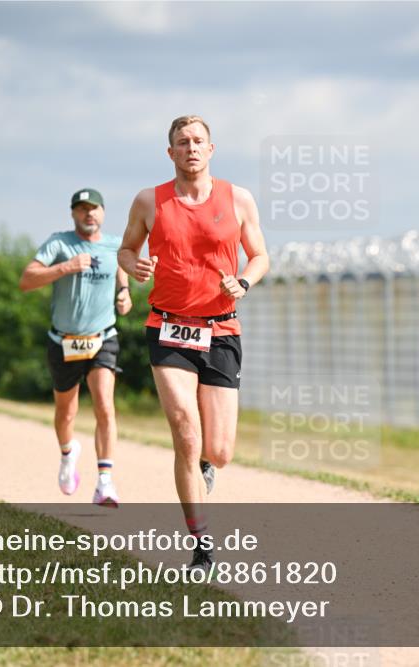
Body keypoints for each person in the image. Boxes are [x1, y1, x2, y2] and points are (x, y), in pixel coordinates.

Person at [118, 115, 270, 568]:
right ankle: (201, 544)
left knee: (219, 450)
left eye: (198, 141)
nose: (191, 148)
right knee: (185, 427)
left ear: (211, 148)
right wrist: (133, 266)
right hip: (167, 327)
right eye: (182, 142)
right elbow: (127, 249)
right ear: (171, 153)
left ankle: (206, 462)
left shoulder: (238, 199)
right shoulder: (150, 201)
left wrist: (243, 282)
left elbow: (260, 255)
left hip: (221, 329)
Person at [19, 188, 132, 507]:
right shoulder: (59, 243)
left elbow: (122, 265)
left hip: (102, 338)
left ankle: (105, 483)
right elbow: (26, 280)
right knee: (66, 413)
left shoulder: (114, 245)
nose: (89, 214)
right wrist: (65, 267)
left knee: (105, 406)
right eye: (82, 209)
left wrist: (124, 291)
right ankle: (68, 454)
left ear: (103, 212)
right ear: (73, 214)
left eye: (94, 208)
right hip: (64, 341)